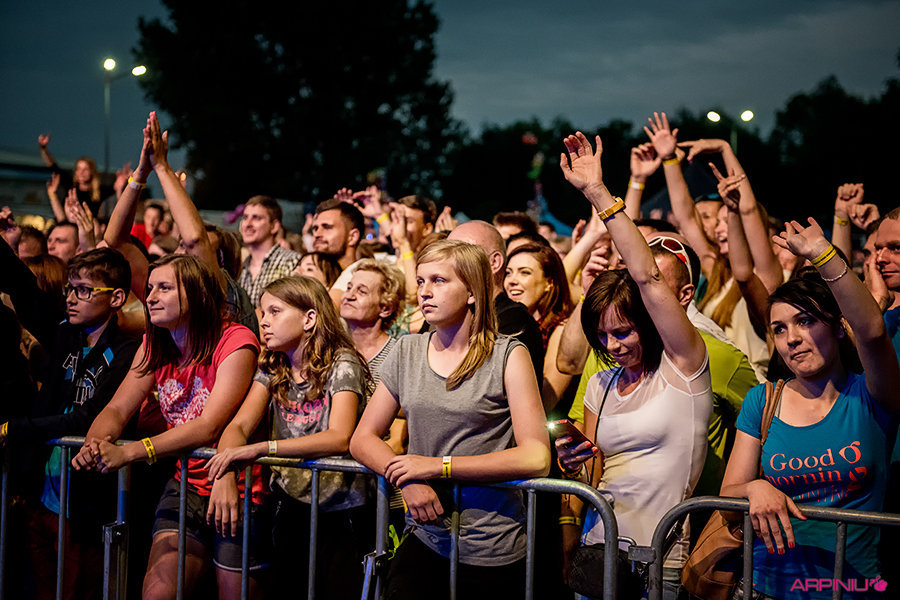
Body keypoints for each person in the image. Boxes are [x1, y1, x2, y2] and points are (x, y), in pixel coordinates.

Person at [556, 131, 713, 599]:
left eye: (622, 331)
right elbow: (593, 475)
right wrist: (573, 463)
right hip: (598, 552)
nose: (613, 344)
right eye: (602, 335)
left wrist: (598, 193)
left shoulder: (685, 367)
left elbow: (645, 274)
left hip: (660, 561)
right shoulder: (600, 384)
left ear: (647, 322)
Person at [349, 239, 551, 600]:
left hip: (491, 546)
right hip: (426, 536)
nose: (425, 292)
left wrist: (436, 467)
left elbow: (536, 456)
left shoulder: (508, 355)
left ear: (473, 292)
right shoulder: (407, 349)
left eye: (439, 281)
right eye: (422, 281)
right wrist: (406, 479)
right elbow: (362, 438)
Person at [720, 216, 900, 599]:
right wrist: (754, 488)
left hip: (851, 587)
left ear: (837, 326)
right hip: (764, 587)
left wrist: (823, 254)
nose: (792, 339)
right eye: (779, 329)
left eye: (805, 321)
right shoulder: (762, 399)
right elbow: (728, 498)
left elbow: (872, 330)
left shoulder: (871, 395)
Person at [71, 254, 264, 600]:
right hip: (187, 482)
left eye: (164, 288)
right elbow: (117, 407)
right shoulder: (155, 341)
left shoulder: (236, 340)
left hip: (238, 485)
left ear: (198, 295)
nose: (150, 297)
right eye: (150, 289)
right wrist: (95, 442)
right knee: (157, 593)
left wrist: (131, 451)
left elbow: (209, 426)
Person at [206, 276, 370, 599]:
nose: (264, 321)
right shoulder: (273, 364)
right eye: (262, 313)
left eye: (275, 312)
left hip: (341, 511)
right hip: (292, 504)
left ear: (309, 318)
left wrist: (265, 448)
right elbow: (239, 425)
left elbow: (339, 436)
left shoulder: (342, 362)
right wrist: (224, 471)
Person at [0, 245, 139, 600]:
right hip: (43, 496)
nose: (72, 299)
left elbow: (85, 418)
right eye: (70, 289)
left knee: (76, 588)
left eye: (84, 290)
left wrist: (15, 429)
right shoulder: (64, 336)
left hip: (83, 503)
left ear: (116, 297)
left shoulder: (126, 351)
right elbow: (24, 288)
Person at [504, 242, 576, 413]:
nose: (512, 281)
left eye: (524, 273)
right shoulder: (499, 323)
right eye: (508, 273)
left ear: (548, 283)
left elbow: (547, 401)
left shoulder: (561, 329)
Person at [239, 195, 302, 307]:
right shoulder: (240, 268)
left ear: (274, 226)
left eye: (256, 218)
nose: (248, 224)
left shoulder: (292, 261)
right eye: (245, 217)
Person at [311, 197, 366, 303]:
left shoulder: (362, 275)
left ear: (352, 237)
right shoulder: (308, 272)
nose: (317, 234)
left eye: (327, 227)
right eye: (315, 228)